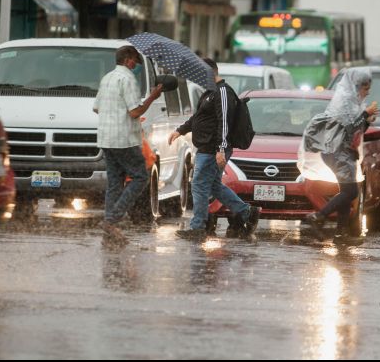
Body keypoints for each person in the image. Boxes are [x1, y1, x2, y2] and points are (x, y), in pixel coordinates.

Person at [168, 58, 261, 241]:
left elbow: (224, 122)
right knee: (213, 186)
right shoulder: (210, 92)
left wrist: (221, 148)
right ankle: (247, 212)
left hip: (213, 148)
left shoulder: (223, 92)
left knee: (199, 185)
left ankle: (198, 227)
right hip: (207, 147)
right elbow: (199, 117)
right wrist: (180, 130)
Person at [93, 45, 163, 246]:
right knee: (141, 176)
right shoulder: (128, 79)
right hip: (124, 139)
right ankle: (112, 219)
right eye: (136, 62)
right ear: (128, 60)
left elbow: (97, 108)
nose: (137, 66)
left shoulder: (107, 78)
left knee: (115, 182)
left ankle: (110, 227)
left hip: (106, 138)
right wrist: (152, 97)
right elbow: (134, 112)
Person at [300, 68, 379, 244]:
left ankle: (340, 234)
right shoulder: (345, 102)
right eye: (365, 88)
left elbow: (357, 130)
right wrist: (366, 114)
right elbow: (350, 127)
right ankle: (318, 217)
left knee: (347, 192)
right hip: (337, 152)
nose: (368, 92)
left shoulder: (353, 102)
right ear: (356, 86)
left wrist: (366, 120)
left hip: (344, 152)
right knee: (351, 191)